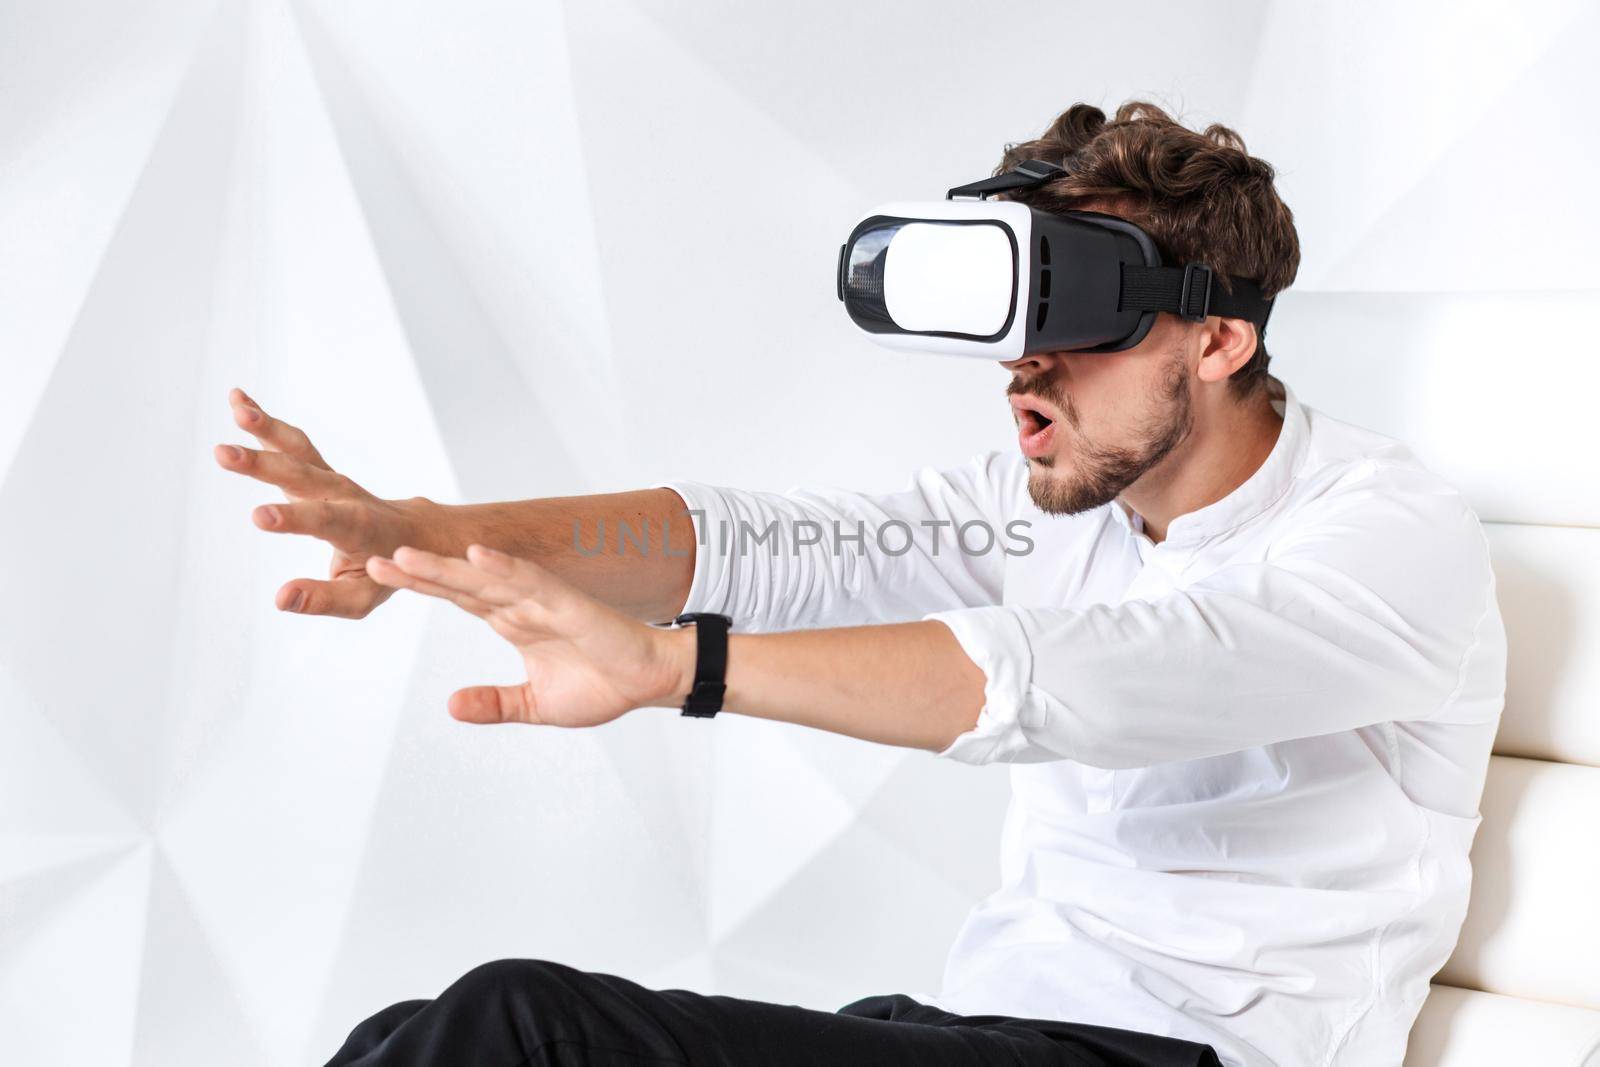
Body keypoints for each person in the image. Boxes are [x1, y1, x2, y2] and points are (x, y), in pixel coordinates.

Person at [215, 102, 1506, 1067]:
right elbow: (770, 548)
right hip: (979, 1030)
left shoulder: (1387, 537)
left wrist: (680, 670)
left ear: (1221, 339)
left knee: (521, 1031)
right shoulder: (1059, 506)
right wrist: (427, 528)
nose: (1024, 370)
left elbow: (1091, 682)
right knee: (415, 1037)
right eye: (1015, 325)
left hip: (1189, 1059)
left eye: (1081, 320)